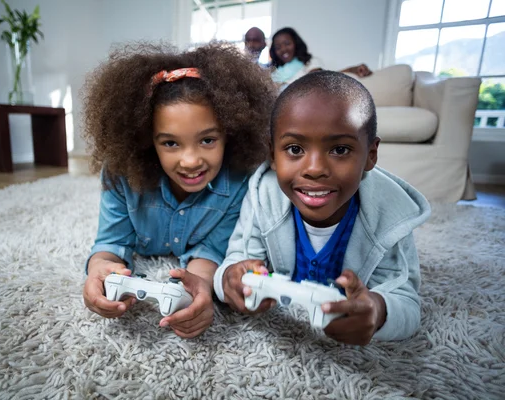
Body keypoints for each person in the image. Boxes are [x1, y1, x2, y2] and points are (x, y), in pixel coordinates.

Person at [213, 71, 431, 345]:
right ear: (272, 154)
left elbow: (407, 303)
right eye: (294, 149)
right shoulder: (263, 195)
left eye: (339, 150)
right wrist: (228, 282)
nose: (314, 169)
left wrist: (377, 311)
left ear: (371, 155)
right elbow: (235, 263)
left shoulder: (390, 214)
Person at [82, 43, 276, 339]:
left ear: (230, 133)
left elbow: (211, 251)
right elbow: (111, 242)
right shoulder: (122, 172)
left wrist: (198, 287)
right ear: (147, 140)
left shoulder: (241, 182)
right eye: (171, 143)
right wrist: (100, 271)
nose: (190, 161)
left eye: (208, 140)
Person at [270, 27, 372, 91]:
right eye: (278, 47)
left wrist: (351, 70)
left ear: (296, 43)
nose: (283, 49)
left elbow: (322, 80)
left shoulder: (310, 63)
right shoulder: (274, 72)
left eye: (287, 44)